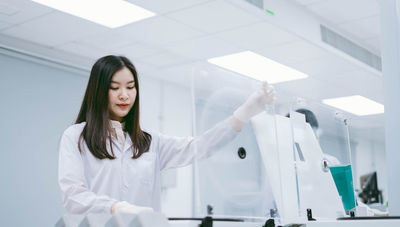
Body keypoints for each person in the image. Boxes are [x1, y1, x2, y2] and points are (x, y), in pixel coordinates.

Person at [58, 55, 276, 215]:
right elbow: (73, 196)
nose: (124, 95)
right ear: (98, 90)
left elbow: (200, 146)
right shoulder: (76, 136)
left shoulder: (149, 142)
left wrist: (243, 114)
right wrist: (115, 207)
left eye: (130, 87)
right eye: (115, 88)